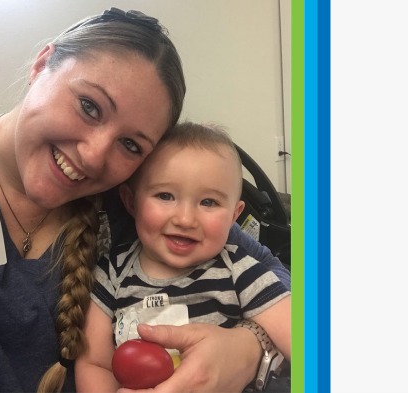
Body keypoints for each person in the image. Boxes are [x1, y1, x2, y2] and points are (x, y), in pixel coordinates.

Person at [0, 7, 291, 393]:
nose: (93, 156)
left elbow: (273, 274)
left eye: (130, 144)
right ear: (43, 63)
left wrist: (244, 348)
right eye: (89, 106)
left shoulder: (141, 200)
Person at [75, 122, 292, 392]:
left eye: (209, 202)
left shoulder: (240, 270)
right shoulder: (111, 274)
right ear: (131, 202)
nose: (186, 219)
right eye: (165, 196)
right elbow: (95, 363)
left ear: (234, 216)